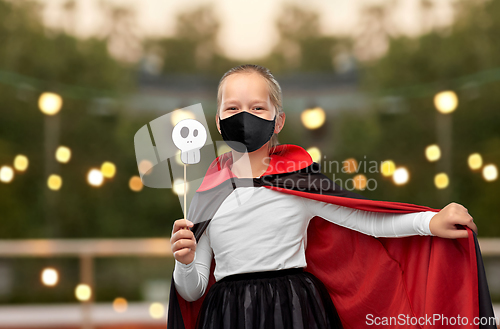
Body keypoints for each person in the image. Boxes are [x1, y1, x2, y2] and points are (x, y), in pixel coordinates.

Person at [168, 64, 493, 329]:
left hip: (294, 310)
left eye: (257, 107)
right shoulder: (206, 195)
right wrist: (184, 263)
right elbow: (192, 289)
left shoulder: (299, 182)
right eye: (233, 108)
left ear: (278, 120)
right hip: (227, 316)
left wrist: (430, 221)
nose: (244, 116)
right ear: (219, 121)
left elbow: (367, 220)